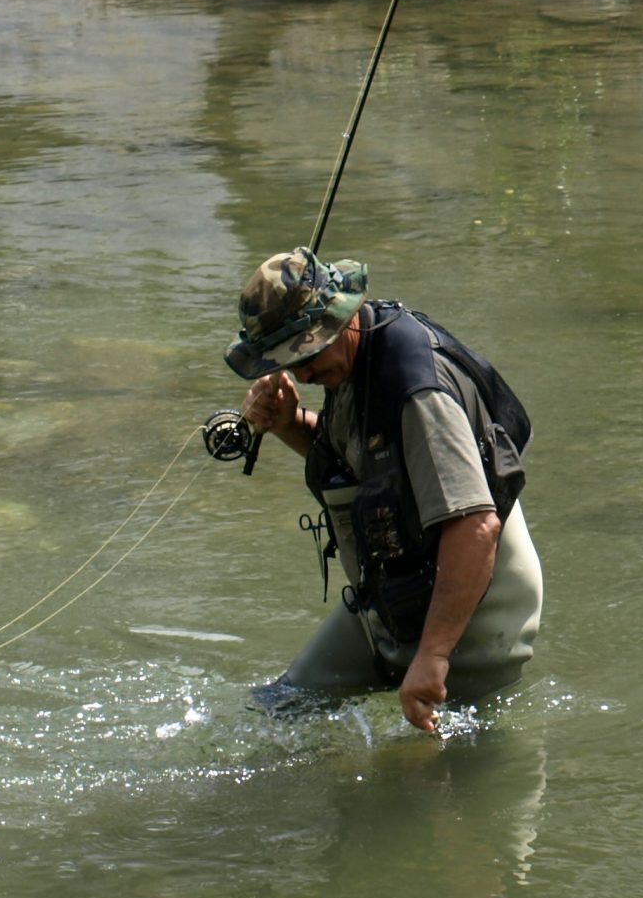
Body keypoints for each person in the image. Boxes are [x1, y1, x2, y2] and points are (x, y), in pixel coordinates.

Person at [226, 249, 542, 732]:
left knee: (441, 767)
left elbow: (475, 526)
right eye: (289, 360)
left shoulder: (417, 394)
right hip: (399, 590)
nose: (302, 374)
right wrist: (288, 423)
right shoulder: (354, 361)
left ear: (343, 317)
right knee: (278, 711)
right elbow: (364, 464)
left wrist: (434, 658)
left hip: (478, 604)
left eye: (305, 354)